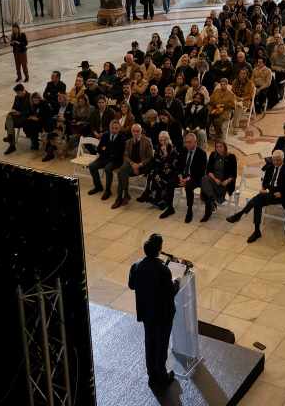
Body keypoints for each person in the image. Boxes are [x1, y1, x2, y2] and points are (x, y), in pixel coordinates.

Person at [127, 234, 179, 392]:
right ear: (159, 250)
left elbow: (131, 286)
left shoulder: (136, 266)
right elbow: (170, 292)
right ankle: (162, 376)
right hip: (163, 314)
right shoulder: (163, 270)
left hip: (147, 313)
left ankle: (152, 374)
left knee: (150, 342)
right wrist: (176, 282)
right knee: (161, 345)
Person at [227, 149, 285, 242]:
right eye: (274, 159)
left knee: (258, 199)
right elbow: (265, 181)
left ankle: (240, 214)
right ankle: (256, 230)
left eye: (278, 160)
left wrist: (282, 193)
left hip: (280, 195)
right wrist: (264, 188)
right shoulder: (270, 167)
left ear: (283, 159)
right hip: (269, 193)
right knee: (258, 203)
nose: (276, 162)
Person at [115, 123, 154, 209]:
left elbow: (150, 157)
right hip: (131, 165)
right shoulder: (128, 142)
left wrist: (139, 165)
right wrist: (133, 164)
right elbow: (125, 156)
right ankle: (122, 196)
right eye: (134, 131)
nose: (135, 133)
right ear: (131, 132)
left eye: (137, 131)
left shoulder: (147, 141)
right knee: (122, 172)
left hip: (143, 166)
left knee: (120, 172)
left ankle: (123, 196)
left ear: (141, 131)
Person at [200, 138, 236, 222]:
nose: (219, 148)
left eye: (221, 146)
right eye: (217, 147)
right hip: (214, 180)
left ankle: (207, 213)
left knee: (205, 189)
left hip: (224, 183)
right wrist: (215, 179)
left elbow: (233, 174)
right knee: (204, 179)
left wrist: (226, 181)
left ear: (225, 147)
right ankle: (213, 200)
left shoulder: (231, 157)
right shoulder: (213, 155)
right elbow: (208, 171)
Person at [89, 119, 125, 198]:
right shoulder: (105, 135)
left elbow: (119, 153)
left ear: (119, 128)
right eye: (112, 128)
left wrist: (106, 149)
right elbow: (99, 149)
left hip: (115, 160)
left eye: (116, 128)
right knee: (91, 166)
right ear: (110, 128)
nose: (114, 130)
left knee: (107, 169)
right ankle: (98, 187)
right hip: (103, 158)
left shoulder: (122, 138)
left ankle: (108, 191)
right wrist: (108, 151)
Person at [3, 83, 31, 155]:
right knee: (9, 116)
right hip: (18, 116)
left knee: (10, 123)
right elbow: (14, 107)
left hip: (26, 117)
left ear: (23, 90)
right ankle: (11, 139)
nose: (18, 94)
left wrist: (20, 113)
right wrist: (13, 110)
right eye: (17, 93)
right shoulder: (17, 97)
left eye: (19, 92)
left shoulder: (30, 97)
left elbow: (30, 111)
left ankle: (11, 142)